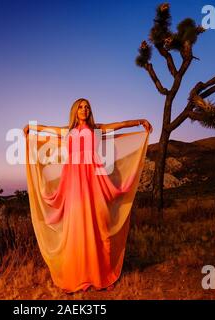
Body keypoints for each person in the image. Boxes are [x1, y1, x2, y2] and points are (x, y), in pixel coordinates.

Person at [24, 98, 152, 293]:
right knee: (76, 226)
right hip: (73, 183)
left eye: (87, 107)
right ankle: (76, 275)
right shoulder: (68, 131)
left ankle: (100, 275)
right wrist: (32, 127)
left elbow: (119, 126)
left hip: (93, 180)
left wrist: (139, 121)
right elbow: (48, 129)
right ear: (75, 111)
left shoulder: (96, 129)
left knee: (98, 224)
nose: (84, 110)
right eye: (81, 107)